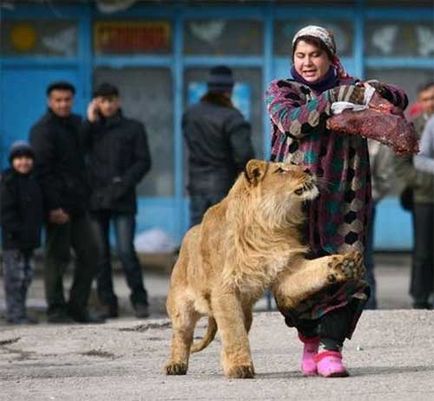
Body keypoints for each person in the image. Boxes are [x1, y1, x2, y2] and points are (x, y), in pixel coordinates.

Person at [265, 25, 408, 377]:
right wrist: (332, 100)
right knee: (294, 272)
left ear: (330, 57)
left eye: (315, 55)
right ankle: (309, 341)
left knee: (346, 267)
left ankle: (332, 349)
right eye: (301, 55)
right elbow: (293, 122)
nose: (308, 62)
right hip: (294, 202)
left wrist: (374, 91)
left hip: (346, 196)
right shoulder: (282, 91)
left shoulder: (351, 87)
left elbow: (398, 101)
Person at [29, 81, 103, 324]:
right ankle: (56, 310)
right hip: (57, 206)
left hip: (78, 204)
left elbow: (85, 149)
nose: (63, 104)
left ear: (72, 100)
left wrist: (91, 122)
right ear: (50, 101)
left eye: (67, 100)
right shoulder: (42, 130)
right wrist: (52, 207)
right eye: (58, 100)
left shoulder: (75, 124)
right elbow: (41, 172)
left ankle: (77, 307)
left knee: (91, 253)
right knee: (57, 258)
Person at [82, 83, 152, 319]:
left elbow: (143, 162)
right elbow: (77, 153)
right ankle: (107, 303)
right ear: (95, 104)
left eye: (111, 100)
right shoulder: (89, 130)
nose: (108, 105)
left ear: (118, 101)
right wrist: (89, 123)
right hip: (95, 199)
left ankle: (140, 301)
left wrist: (123, 184)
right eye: (102, 100)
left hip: (123, 199)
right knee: (100, 254)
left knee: (125, 251)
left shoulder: (133, 128)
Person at [183, 65, 255, 227]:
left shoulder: (191, 114)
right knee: (222, 230)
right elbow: (244, 155)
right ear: (229, 89)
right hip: (224, 183)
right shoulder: (232, 116)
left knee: (197, 231)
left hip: (196, 182)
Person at [395, 81, 434, 310]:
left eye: (433, 98)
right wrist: (425, 183)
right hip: (424, 198)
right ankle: (420, 297)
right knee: (423, 250)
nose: (430, 103)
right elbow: (401, 166)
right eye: (426, 99)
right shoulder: (411, 128)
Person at [0, 142, 43, 324]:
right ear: (12, 161)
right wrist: (17, 231)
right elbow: (5, 212)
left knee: (26, 277)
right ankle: (14, 314)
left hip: (30, 241)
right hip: (14, 242)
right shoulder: (7, 182)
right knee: (14, 279)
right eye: (19, 158)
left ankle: (21, 312)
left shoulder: (34, 182)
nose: (23, 162)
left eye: (27, 158)